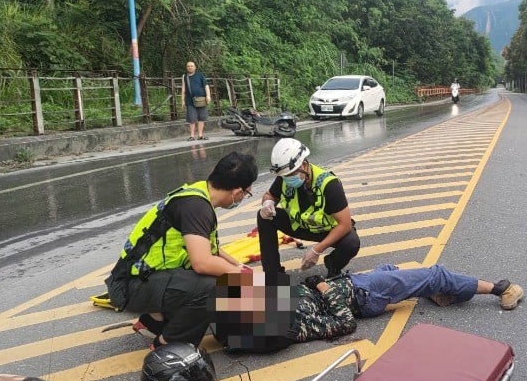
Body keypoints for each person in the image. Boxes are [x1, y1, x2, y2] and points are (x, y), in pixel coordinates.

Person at [105, 151, 259, 350]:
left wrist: (238, 266)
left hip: (139, 279)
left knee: (222, 278)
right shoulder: (197, 208)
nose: (243, 197)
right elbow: (203, 262)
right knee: (215, 286)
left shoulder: (198, 193)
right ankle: (167, 344)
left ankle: (154, 322)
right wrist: (242, 278)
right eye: (247, 193)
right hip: (129, 287)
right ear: (238, 192)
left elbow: (212, 249)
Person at [209, 264, 524, 352]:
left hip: (357, 283)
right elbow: (345, 323)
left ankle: (433, 291)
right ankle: (500, 288)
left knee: (393, 270)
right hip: (363, 296)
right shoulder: (292, 327)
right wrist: (322, 286)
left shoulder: (271, 308)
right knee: (433, 274)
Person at [257, 138, 360, 282]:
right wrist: (267, 204)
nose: (287, 179)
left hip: (326, 232)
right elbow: (270, 195)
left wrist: (316, 250)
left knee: (351, 243)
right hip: (299, 226)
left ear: (304, 165)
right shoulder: (285, 177)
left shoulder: (329, 184)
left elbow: (345, 224)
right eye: (284, 176)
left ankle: (333, 266)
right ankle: (273, 274)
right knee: (263, 217)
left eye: (290, 175)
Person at [181, 61, 211, 141]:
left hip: (201, 99)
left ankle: (200, 135)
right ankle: (192, 136)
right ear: (186, 67)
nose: (190, 67)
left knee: (202, 118)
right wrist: (182, 100)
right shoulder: (185, 76)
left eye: (191, 66)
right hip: (190, 100)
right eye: (188, 66)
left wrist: (208, 96)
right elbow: (183, 89)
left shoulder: (200, 75)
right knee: (192, 118)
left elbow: (206, 86)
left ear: (195, 67)